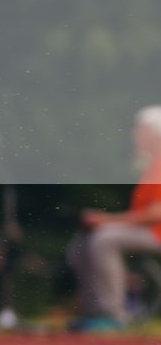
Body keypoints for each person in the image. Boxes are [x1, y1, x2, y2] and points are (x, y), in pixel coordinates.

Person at [66, 105, 161, 332]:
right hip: (149, 233)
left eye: (140, 130)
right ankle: (94, 315)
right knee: (84, 241)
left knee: (105, 238)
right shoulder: (151, 166)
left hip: (157, 233)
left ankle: (114, 316)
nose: (134, 135)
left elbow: (157, 214)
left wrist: (108, 220)